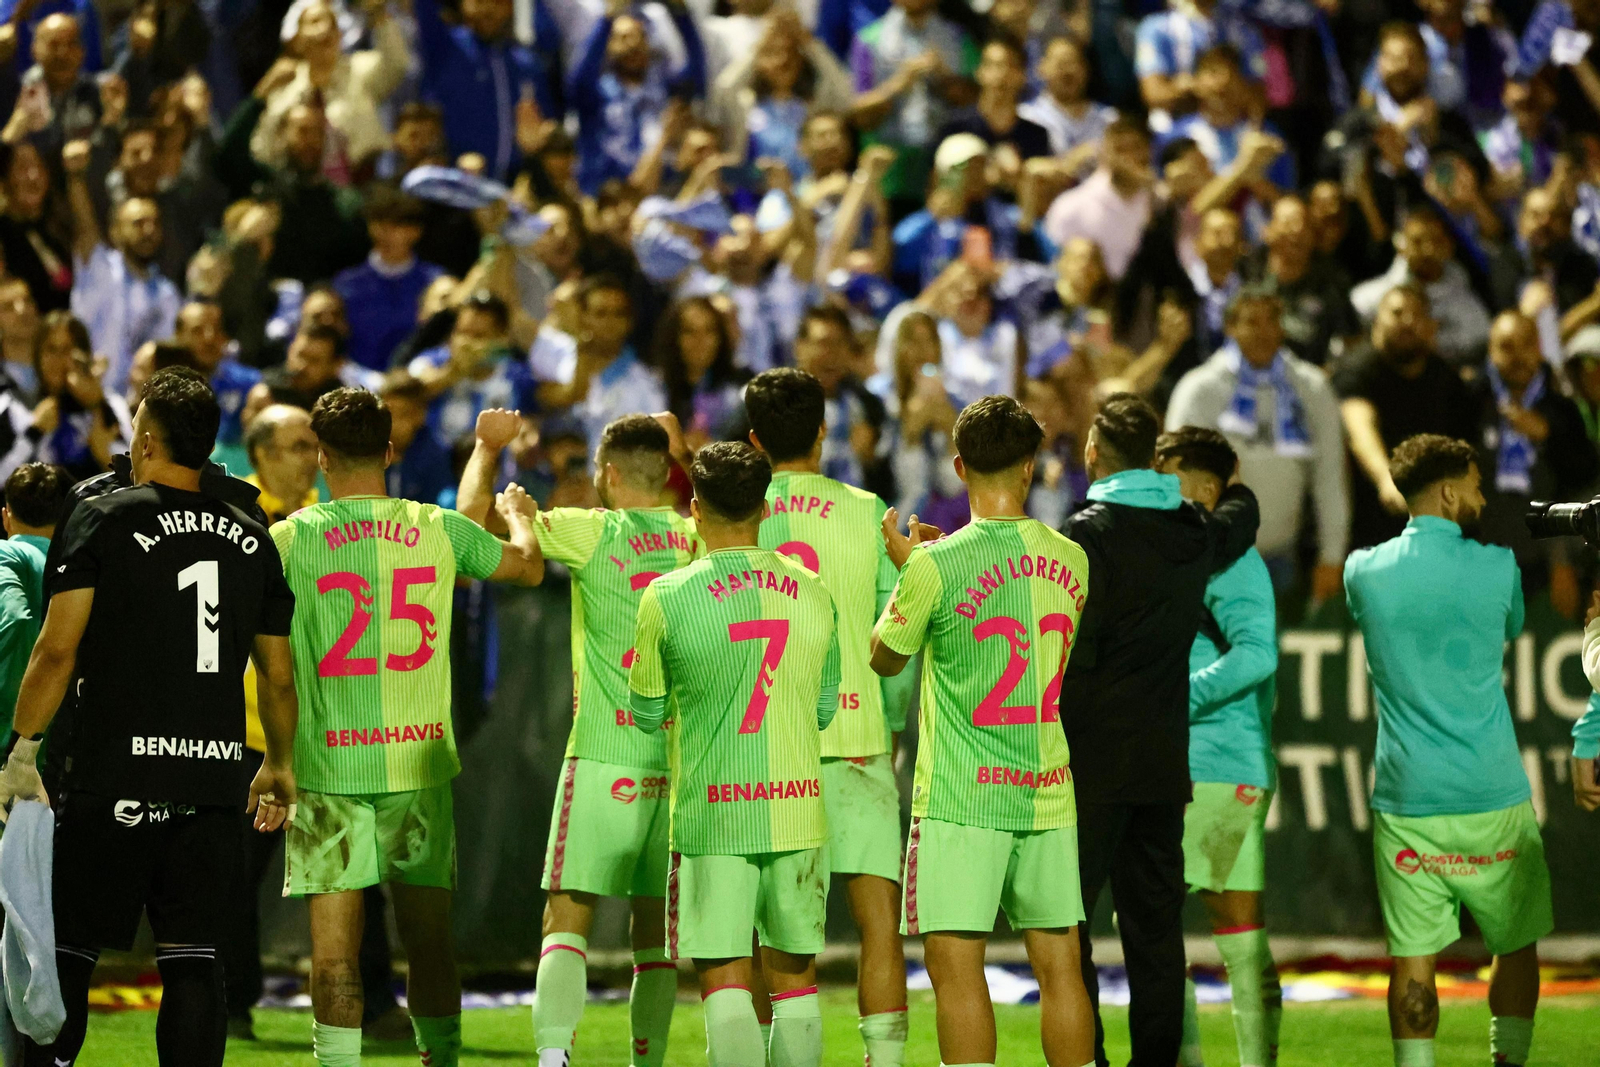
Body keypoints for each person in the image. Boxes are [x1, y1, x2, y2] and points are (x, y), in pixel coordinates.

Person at [0, 368, 299, 1067]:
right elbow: (278, 675)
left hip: (111, 775)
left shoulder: (105, 514)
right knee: (194, 961)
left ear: (147, 438)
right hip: (211, 780)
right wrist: (279, 763)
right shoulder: (253, 531)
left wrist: (21, 748)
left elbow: (56, 649)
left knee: (68, 951)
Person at [270, 387, 543, 1067]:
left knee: (334, 956)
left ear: (322, 457)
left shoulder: (288, 539)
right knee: (429, 943)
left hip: (327, 768)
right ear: (390, 451)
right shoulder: (435, 528)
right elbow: (526, 566)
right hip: (417, 768)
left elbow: (266, 660)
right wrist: (520, 516)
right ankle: (441, 1061)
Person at [455, 410, 700, 1067]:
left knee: (567, 920)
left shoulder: (593, 531)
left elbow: (466, 523)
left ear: (611, 475)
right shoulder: (695, 535)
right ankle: (646, 1058)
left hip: (603, 754)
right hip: (679, 764)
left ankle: (555, 1057)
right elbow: (725, 492)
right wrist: (683, 451)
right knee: (657, 936)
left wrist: (507, 491)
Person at [868, 393, 1095, 1067]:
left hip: (962, 799)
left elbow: (884, 655)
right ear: (1030, 467)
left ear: (960, 466)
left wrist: (908, 571)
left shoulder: (935, 565)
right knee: (1061, 966)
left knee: (956, 966)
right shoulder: (1074, 558)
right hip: (1048, 788)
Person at [1061, 392, 1260, 1067]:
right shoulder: (1193, 531)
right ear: (1154, 459)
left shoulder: (1083, 535)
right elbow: (1243, 512)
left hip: (1088, 765)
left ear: (1092, 453)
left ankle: (1087, 1055)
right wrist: (1228, 480)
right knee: (1154, 932)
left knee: (1070, 922)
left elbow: (1073, 660)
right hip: (1162, 761)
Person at [627, 440, 840, 1067]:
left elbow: (644, 714)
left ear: (694, 507)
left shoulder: (666, 595)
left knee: (723, 975)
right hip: (798, 808)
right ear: (765, 507)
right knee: (795, 981)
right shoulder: (812, 590)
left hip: (711, 811)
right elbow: (824, 711)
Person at [1344, 433, 1551, 1067]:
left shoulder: (1363, 572)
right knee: (1514, 946)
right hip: (1494, 793)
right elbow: (1509, 627)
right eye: (1477, 484)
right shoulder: (1499, 568)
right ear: (1449, 490)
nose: (1484, 498)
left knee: (1413, 958)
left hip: (1408, 798)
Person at [743, 367, 911, 1067]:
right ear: (823, 430)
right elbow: (892, 634)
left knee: (778, 932)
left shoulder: (735, 510)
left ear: (752, 440)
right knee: (879, 926)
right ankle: (887, 1061)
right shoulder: (870, 511)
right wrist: (891, 723)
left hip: (771, 747)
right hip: (858, 739)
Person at [1152, 428, 1281, 1067]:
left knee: (1235, 936)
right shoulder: (1178, 552)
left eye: (1166, 468)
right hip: (1189, 761)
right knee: (1167, 934)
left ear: (1205, 488)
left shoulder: (1230, 557)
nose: (1154, 478)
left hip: (1215, 762)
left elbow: (1257, 654)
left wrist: (1170, 697)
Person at [1164, 288, 1348, 602]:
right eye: (1251, 322)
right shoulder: (1199, 389)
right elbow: (1176, 481)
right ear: (1230, 326)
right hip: (1214, 561)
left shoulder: (1311, 387)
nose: (1263, 332)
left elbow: (1330, 474)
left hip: (1285, 557)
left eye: (1272, 320)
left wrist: (1332, 555)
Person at [1333, 284, 1478, 551]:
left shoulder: (1444, 376)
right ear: (1377, 320)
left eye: (1417, 315)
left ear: (1431, 326)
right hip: (1369, 519)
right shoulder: (1357, 369)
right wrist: (1385, 479)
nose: (1408, 322)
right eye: (1397, 313)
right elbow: (1359, 428)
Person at [64, 141, 182, 398]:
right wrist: (75, 177)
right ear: (115, 231)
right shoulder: (100, 269)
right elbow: (85, 228)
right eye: (138, 223)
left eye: (154, 223)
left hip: (141, 408)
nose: (148, 231)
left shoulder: (167, 293)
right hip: (89, 397)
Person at [333, 190, 445, 374]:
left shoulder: (435, 282)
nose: (384, 233)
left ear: (415, 231)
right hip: (358, 386)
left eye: (395, 225)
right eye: (378, 223)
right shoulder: (346, 285)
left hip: (414, 386)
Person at [0, 462, 69, 736]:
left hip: (10, 742)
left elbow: (14, 620)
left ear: (6, 517)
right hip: (64, 743)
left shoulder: (6, 554)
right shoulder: (86, 565)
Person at [243, 404, 321, 522]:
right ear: (263, 453)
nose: (315, 459)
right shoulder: (237, 510)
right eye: (300, 447)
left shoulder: (321, 514)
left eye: (317, 448)